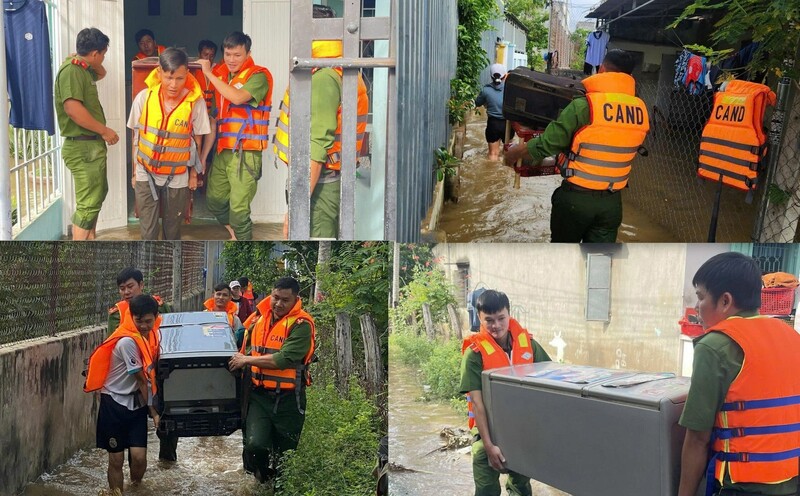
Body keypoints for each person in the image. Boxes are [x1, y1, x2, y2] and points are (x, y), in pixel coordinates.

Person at [678, 252, 800, 496]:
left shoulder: (714, 345)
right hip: (791, 481)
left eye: (700, 297)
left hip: (743, 487)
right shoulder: (791, 337)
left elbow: (697, 439)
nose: (697, 307)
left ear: (725, 301)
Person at [504, 49, 649, 243]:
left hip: (576, 200)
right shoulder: (640, 109)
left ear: (602, 69)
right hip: (612, 203)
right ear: (629, 77)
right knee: (598, 262)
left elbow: (548, 144)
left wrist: (515, 153)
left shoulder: (585, 105)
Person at [273, 4, 370, 239]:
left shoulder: (324, 76)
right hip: (320, 182)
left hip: (319, 186)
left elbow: (315, 150)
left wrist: (294, 209)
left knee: (315, 236)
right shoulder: (332, 66)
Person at [459, 290, 551, 496]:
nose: (496, 326)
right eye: (489, 320)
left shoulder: (529, 345)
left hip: (520, 430)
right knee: (486, 490)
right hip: (487, 433)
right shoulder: (474, 354)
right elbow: (477, 403)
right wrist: (490, 446)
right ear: (479, 319)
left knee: (521, 488)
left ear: (509, 314)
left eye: (501, 318)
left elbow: (551, 378)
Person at [228, 277, 316, 484]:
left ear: (296, 299)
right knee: (254, 445)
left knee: (285, 455)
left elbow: (284, 359)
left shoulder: (302, 325)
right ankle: (260, 479)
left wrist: (246, 360)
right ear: (271, 293)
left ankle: (279, 486)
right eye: (275, 297)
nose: (278, 303)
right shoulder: (259, 317)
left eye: (285, 300)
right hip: (258, 396)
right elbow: (240, 338)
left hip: (288, 400)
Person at [127, 48, 210, 240]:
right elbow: (136, 137)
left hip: (177, 175)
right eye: (168, 77)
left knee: (172, 231)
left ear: (186, 75)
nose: (173, 84)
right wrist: (134, 173)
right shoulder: (144, 98)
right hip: (145, 172)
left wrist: (193, 174)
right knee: (148, 232)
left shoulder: (194, 102)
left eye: (179, 79)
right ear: (159, 73)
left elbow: (197, 140)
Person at [197, 32, 273, 241]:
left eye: (237, 55)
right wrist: (203, 157)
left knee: (239, 210)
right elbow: (214, 120)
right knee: (214, 201)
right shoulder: (222, 75)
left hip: (246, 153)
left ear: (248, 53)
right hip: (223, 151)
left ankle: (242, 238)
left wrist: (209, 73)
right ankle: (236, 234)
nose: (232, 60)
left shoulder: (259, 76)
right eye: (228, 54)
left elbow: (238, 98)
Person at [84, 294, 161, 494]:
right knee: (116, 458)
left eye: (148, 321)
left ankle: (135, 488)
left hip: (136, 404)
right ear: (131, 317)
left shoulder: (151, 338)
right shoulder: (127, 341)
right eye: (139, 321)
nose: (144, 326)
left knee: (139, 458)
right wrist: (154, 412)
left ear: (156, 317)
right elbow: (142, 380)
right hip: (114, 403)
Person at [54, 27, 119, 240]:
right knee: (88, 204)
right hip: (82, 147)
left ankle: (90, 237)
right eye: (103, 54)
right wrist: (105, 130)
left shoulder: (82, 68)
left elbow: (102, 73)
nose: (103, 58)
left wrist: (82, 60)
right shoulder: (72, 71)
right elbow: (73, 110)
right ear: (94, 54)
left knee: (97, 196)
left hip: (90, 147)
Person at [106, 267, 174, 462]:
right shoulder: (117, 314)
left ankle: (167, 461)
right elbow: (113, 344)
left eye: (130, 286)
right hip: (134, 375)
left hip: (160, 370)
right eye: (122, 288)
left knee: (167, 423)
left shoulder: (162, 306)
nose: (126, 292)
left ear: (141, 285)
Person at [475, 63, 512, 162]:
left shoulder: (486, 90)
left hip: (493, 124)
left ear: (491, 76)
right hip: (508, 125)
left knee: (493, 154)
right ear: (505, 75)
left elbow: (477, 103)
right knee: (508, 153)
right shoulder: (511, 89)